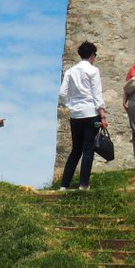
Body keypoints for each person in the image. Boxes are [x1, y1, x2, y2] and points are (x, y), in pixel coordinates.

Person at [58, 41, 107, 190]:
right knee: (88, 149)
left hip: (75, 115)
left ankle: (64, 185)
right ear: (92, 54)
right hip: (91, 113)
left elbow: (62, 93)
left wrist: (71, 104)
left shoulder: (70, 71)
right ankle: (84, 184)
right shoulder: (93, 71)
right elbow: (97, 95)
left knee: (75, 150)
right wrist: (103, 116)